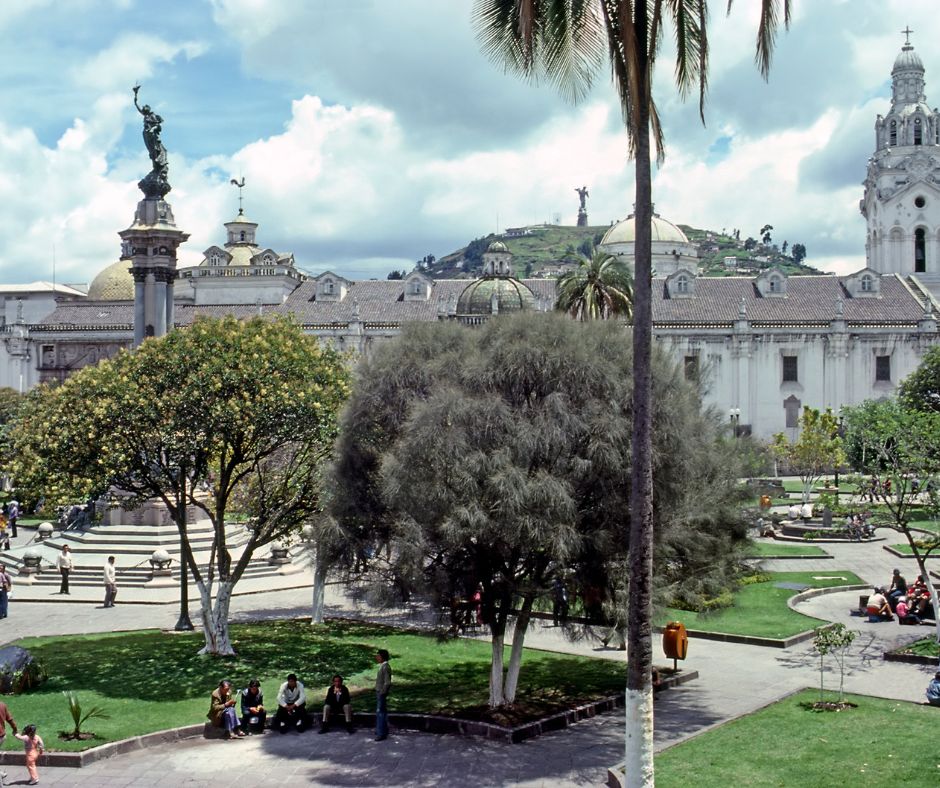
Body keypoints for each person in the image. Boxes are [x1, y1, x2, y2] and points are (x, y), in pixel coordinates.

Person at [374, 649, 391, 742]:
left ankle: (381, 733)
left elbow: (387, 682)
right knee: (381, 712)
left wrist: (382, 692)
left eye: (378, 656)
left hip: (381, 692)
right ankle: (382, 730)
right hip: (379, 691)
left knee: (380, 712)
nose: (377, 657)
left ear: (382, 657)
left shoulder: (385, 667)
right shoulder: (382, 666)